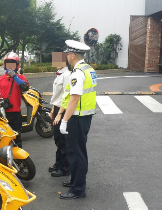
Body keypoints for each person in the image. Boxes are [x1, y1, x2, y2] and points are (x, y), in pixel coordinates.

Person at [57, 40, 97, 199]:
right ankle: (75, 181)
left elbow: (74, 98)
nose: (66, 56)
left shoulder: (78, 72)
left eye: (67, 54)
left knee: (76, 154)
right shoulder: (89, 69)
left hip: (77, 118)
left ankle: (78, 189)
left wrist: (64, 120)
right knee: (79, 151)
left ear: (73, 55)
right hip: (84, 117)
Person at [0, 52, 29, 148]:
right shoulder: (0, 79)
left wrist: (15, 77)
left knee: (17, 138)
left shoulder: (20, 77)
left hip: (16, 113)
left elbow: (25, 87)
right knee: (3, 138)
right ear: (4, 66)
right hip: (2, 114)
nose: (10, 68)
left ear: (17, 66)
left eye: (13, 65)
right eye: (8, 65)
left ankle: (20, 161)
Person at [49, 48, 71, 177]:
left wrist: (59, 113)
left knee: (63, 140)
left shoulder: (67, 75)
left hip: (63, 110)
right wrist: (53, 109)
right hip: (57, 108)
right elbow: (57, 95)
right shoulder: (59, 74)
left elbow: (66, 97)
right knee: (57, 139)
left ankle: (65, 168)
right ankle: (58, 163)